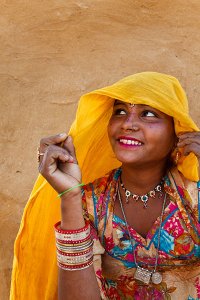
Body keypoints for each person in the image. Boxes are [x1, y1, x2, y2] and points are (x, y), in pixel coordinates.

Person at [10, 72, 200, 300]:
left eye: (148, 114)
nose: (128, 124)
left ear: (177, 132)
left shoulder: (193, 194)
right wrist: (69, 196)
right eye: (120, 112)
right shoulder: (91, 202)